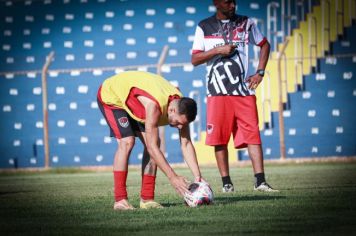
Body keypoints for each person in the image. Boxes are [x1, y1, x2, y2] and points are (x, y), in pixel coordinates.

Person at [191, 0, 278, 193]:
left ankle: (260, 181)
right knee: (219, 139)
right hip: (216, 92)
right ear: (216, 3)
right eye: (227, 2)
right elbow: (195, 59)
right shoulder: (204, 26)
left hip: (243, 91)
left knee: (253, 135)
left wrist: (260, 72)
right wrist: (217, 50)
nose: (232, 5)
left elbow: (265, 45)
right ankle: (227, 184)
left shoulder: (246, 22)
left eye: (234, 2)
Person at [97, 71, 205, 210]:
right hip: (112, 95)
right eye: (178, 122)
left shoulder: (181, 105)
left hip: (135, 102)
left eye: (183, 124)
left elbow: (186, 143)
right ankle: (120, 200)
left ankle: (147, 199)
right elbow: (152, 148)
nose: (180, 127)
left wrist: (198, 178)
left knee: (155, 143)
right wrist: (173, 178)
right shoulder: (154, 106)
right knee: (128, 141)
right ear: (171, 110)